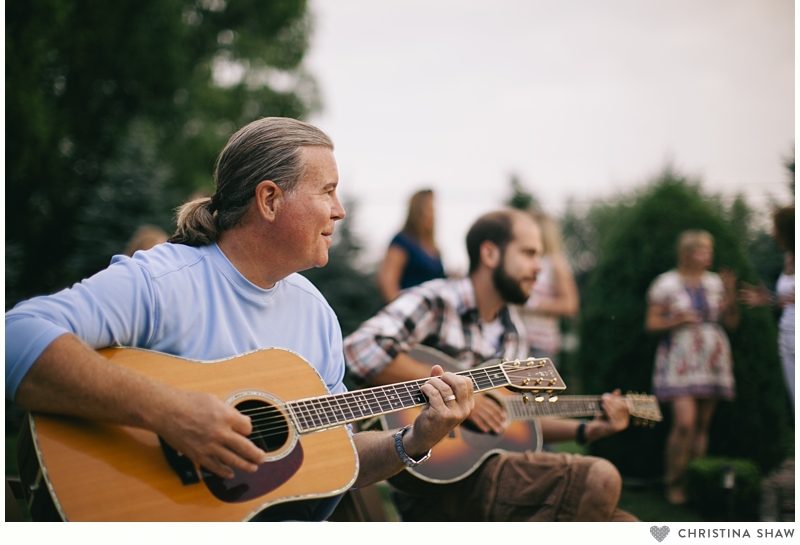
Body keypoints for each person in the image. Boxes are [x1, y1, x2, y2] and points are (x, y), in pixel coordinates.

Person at [5, 117, 474, 521]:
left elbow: (339, 453)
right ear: (269, 200)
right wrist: (168, 411)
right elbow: (15, 337)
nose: (340, 210)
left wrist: (414, 439)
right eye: (327, 191)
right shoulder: (163, 280)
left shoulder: (316, 314)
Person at [344, 209, 636, 522]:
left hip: (493, 470)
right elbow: (358, 350)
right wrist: (466, 396)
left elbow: (513, 417)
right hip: (435, 480)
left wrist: (586, 428)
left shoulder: (513, 331)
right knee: (599, 477)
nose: (538, 267)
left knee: (624, 524)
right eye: (528, 253)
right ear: (490, 253)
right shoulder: (436, 300)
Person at [645, 229, 739, 505]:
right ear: (685, 253)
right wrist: (677, 320)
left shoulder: (715, 283)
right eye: (701, 250)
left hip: (712, 355)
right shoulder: (666, 283)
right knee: (684, 423)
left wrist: (731, 293)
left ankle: (694, 482)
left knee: (701, 425)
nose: (708, 255)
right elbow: (651, 325)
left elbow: (731, 323)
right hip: (681, 357)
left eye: (709, 250)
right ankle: (672, 482)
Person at [740, 205, 794, 413]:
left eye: (777, 229)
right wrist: (768, 299)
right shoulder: (788, 258)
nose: (773, 234)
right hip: (787, 336)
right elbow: (788, 300)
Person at [517, 211, 579, 367]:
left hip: (541, 346)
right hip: (517, 340)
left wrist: (531, 303)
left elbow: (570, 305)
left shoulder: (555, 264)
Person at [376, 189, 445, 304]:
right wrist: (403, 312)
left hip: (429, 315)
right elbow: (387, 282)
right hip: (406, 315)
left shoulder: (433, 248)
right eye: (429, 208)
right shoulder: (402, 241)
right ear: (418, 211)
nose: (433, 214)